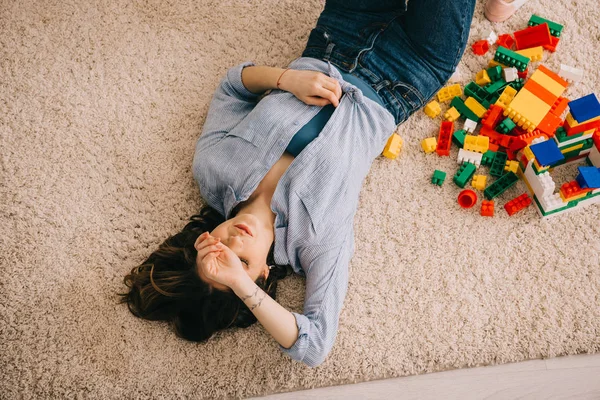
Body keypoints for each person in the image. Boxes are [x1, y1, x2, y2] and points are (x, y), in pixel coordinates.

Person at [119, 0, 476, 368]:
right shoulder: (316, 241)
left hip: (340, 32)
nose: (236, 240)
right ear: (262, 274)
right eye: (242, 261)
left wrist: (285, 79)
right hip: (409, 70)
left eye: (222, 246)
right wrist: (241, 287)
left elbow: (232, 87)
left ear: (205, 238)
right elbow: (315, 345)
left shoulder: (213, 169)